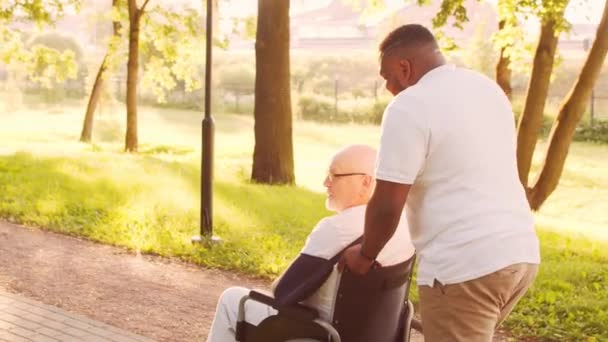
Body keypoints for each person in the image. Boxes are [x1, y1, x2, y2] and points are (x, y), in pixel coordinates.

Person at [339, 24, 541, 342]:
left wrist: (365, 256)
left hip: (466, 266)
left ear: (404, 68)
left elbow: (388, 202)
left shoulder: (409, 106)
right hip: (519, 255)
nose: (388, 88)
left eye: (387, 77)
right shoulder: (487, 90)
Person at [207, 145, 415, 342]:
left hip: (319, 331)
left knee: (232, 299)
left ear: (366, 182)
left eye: (335, 175)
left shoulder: (336, 229)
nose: (326, 182)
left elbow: (281, 291)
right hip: (374, 335)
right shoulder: (404, 227)